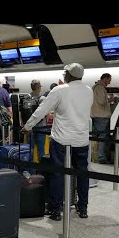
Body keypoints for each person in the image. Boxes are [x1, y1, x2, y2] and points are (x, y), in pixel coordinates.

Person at [22, 63, 93, 221]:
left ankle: (56, 209)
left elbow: (42, 110)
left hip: (61, 139)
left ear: (69, 75)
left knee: (57, 174)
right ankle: (83, 208)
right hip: (81, 139)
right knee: (82, 174)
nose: (64, 76)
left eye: (65, 73)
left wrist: (27, 126)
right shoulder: (88, 91)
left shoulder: (60, 90)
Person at [91, 73, 114, 164]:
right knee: (103, 137)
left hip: (96, 115)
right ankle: (101, 157)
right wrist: (110, 99)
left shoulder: (95, 87)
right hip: (102, 116)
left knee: (96, 136)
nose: (109, 82)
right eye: (109, 80)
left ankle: (94, 157)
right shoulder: (100, 88)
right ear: (105, 78)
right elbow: (101, 101)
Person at [30, 79, 47, 161]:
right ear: (38, 87)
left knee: (30, 149)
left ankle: (29, 170)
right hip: (41, 127)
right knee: (41, 149)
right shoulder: (42, 98)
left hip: (30, 127)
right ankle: (41, 170)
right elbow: (46, 112)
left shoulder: (27, 97)